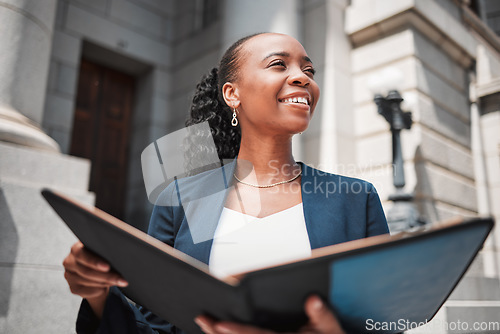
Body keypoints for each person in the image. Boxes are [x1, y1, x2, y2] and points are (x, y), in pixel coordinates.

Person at [63, 32, 389, 334]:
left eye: (309, 70)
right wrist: (98, 294)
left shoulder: (355, 199)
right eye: (279, 64)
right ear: (232, 94)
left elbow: (384, 320)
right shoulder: (180, 199)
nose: (303, 77)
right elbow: (157, 327)